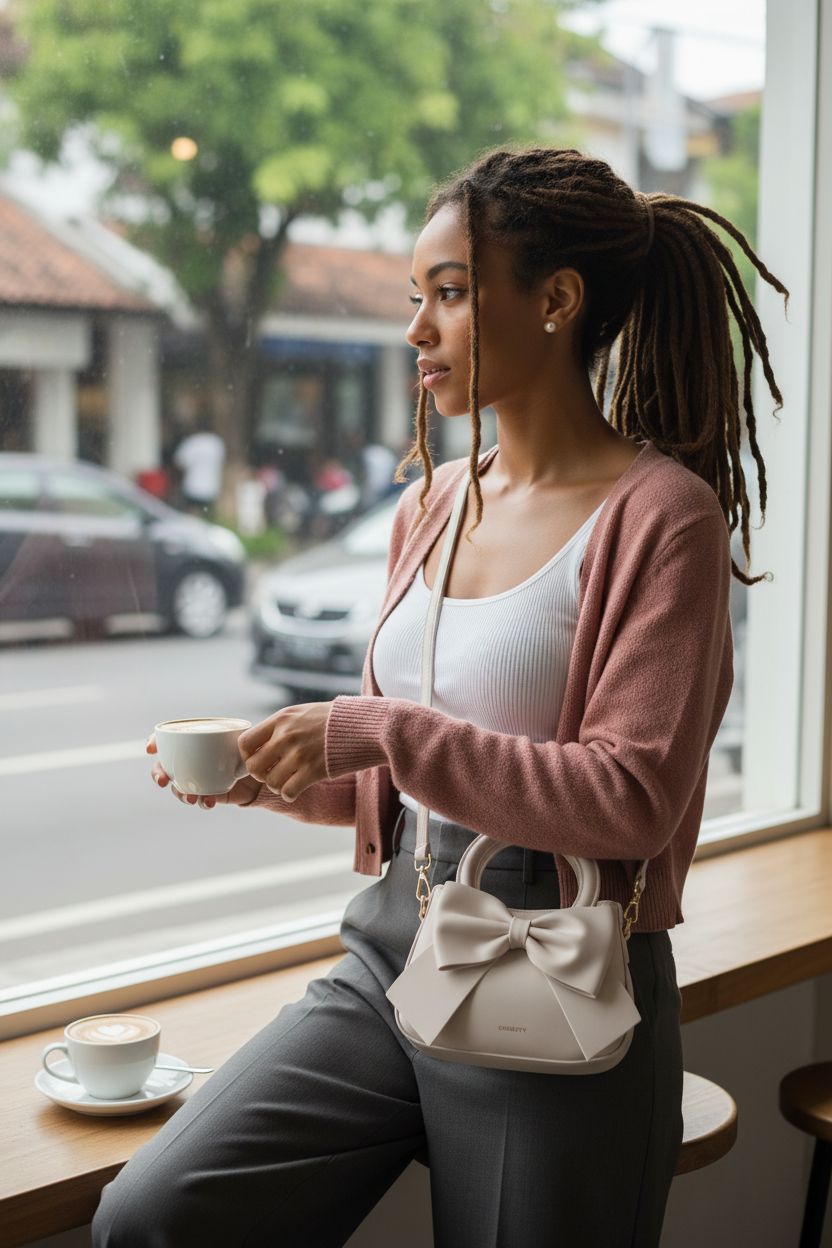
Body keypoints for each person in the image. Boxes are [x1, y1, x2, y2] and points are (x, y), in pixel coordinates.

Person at [92, 145, 787, 1247]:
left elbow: (631, 799)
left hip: (560, 970)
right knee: (156, 1215)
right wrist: (273, 774)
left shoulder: (664, 517)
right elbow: (403, 778)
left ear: (555, 300)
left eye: (451, 295)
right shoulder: (428, 507)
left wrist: (374, 730)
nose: (417, 328)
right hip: (393, 950)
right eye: (416, 298)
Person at [172, 420, 226, 519]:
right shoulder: (216, 443)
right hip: (212, 486)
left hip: (193, 485)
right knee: (208, 514)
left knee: (192, 513)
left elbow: (179, 464)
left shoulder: (191, 442)